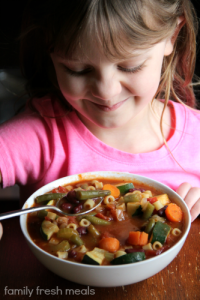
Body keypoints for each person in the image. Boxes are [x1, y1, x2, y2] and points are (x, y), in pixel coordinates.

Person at [0, 0, 200, 240]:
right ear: (48, 48)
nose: (106, 92)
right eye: (78, 70)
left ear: (171, 37)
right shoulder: (42, 134)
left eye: (130, 66)